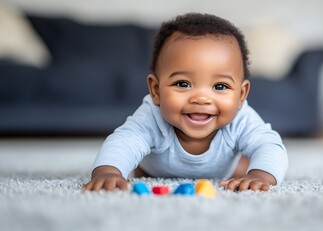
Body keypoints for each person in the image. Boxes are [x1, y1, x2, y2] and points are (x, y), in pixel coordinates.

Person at [83, 13, 288, 192]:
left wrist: (261, 176)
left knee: (245, 167)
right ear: (156, 90)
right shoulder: (152, 116)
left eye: (220, 86)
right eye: (183, 83)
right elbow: (124, 142)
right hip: (153, 171)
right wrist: (108, 171)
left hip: (223, 170)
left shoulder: (241, 119)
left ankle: (240, 168)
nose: (200, 98)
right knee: (138, 169)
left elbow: (269, 145)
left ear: (241, 95)